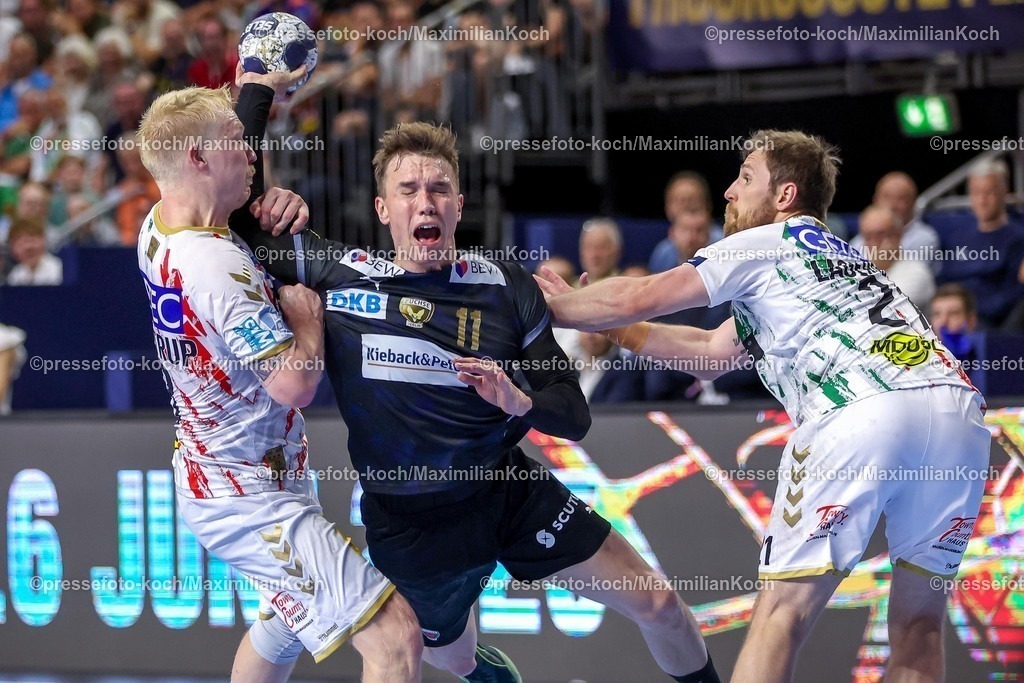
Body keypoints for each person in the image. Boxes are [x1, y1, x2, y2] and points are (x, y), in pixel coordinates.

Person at [232, 76, 720, 683]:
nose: (426, 202)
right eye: (408, 190)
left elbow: (573, 414)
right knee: (455, 658)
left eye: (440, 189)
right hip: (414, 523)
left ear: (459, 205)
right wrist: (255, 90)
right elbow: (234, 216)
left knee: (661, 604)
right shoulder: (342, 276)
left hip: (508, 490)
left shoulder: (503, 286)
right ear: (384, 210)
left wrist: (518, 401)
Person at [537, 129, 989, 683]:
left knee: (781, 612)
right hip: (956, 415)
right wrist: (616, 325)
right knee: (920, 623)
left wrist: (543, 309)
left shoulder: (765, 242)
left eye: (745, 178)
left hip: (862, 406)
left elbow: (639, 292)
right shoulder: (839, 261)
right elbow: (707, 352)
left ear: (784, 197)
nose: (728, 191)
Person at [135, 79, 422, 682]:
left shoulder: (160, 223)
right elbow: (293, 384)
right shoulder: (215, 266)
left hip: (238, 467)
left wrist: (264, 193)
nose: (253, 156)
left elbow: (220, 184)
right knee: (395, 636)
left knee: (285, 622)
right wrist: (306, 324)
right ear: (197, 157)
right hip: (245, 489)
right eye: (239, 145)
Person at [935, 159, 1024, 329]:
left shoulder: (1017, 237)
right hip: (950, 315)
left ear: (1004, 191)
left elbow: (1013, 294)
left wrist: (968, 312)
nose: (982, 200)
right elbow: (945, 278)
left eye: (989, 192)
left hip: (988, 321)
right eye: (976, 193)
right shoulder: (958, 234)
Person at [849, 171, 939, 270]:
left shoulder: (924, 238)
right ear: (875, 200)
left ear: (913, 203)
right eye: (886, 197)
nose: (892, 205)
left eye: (900, 199)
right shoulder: (859, 240)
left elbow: (910, 273)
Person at [856, 203, 935, 315]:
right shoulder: (856, 266)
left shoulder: (917, 273)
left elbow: (884, 312)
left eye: (880, 235)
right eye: (868, 237)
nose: (874, 243)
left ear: (899, 235)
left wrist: (875, 267)